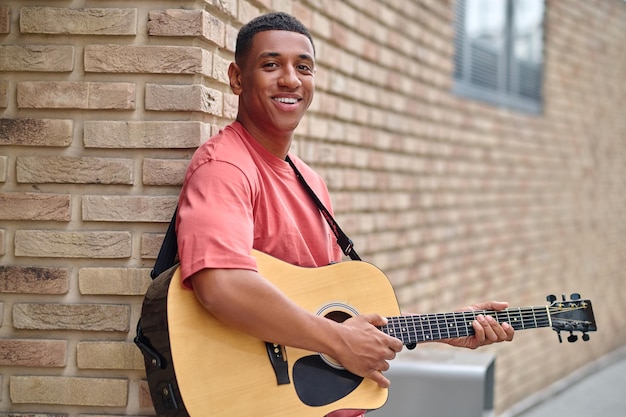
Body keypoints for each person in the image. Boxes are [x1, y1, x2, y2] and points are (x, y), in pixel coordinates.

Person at [175, 11, 514, 417]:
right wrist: (338, 341)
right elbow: (221, 285)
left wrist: (444, 329)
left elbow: (326, 307)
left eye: (304, 67)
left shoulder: (311, 183)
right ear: (236, 78)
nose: (290, 79)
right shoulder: (226, 167)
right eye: (271, 65)